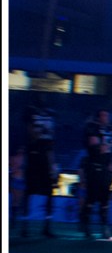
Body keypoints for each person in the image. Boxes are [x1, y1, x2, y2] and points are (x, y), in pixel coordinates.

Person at [22, 94, 59, 238]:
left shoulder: (49, 114)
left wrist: (52, 163)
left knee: (49, 191)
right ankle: (25, 226)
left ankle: (46, 226)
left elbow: (51, 140)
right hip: (34, 153)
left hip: (45, 153)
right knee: (29, 191)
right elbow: (30, 130)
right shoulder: (31, 112)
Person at [80, 109, 112, 240]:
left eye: (107, 115)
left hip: (105, 167)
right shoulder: (92, 127)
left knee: (105, 199)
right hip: (94, 167)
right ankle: (86, 225)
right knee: (92, 197)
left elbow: (109, 150)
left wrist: (110, 166)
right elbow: (96, 146)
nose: (106, 117)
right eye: (103, 115)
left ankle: (105, 227)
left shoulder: (109, 130)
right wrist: (103, 146)